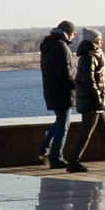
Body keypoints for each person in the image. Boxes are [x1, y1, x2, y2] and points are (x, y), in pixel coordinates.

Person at [60, 29, 105, 172]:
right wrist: (97, 98)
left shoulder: (92, 55)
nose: (102, 42)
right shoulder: (89, 57)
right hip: (92, 101)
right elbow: (88, 81)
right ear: (93, 41)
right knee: (86, 132)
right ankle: (73, 162)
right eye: (99, 39)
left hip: (94, 100)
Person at [36, 20, 77, 165]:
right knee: (63, 125)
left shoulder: (49, 44)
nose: (73, 36)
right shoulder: (61, 46)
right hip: (63, 92)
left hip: (52, 90)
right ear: (67, 33)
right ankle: (56, 158)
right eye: (73, 33)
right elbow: (66, 72)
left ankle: (43, 148)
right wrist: (77, 84)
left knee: (60, 121)